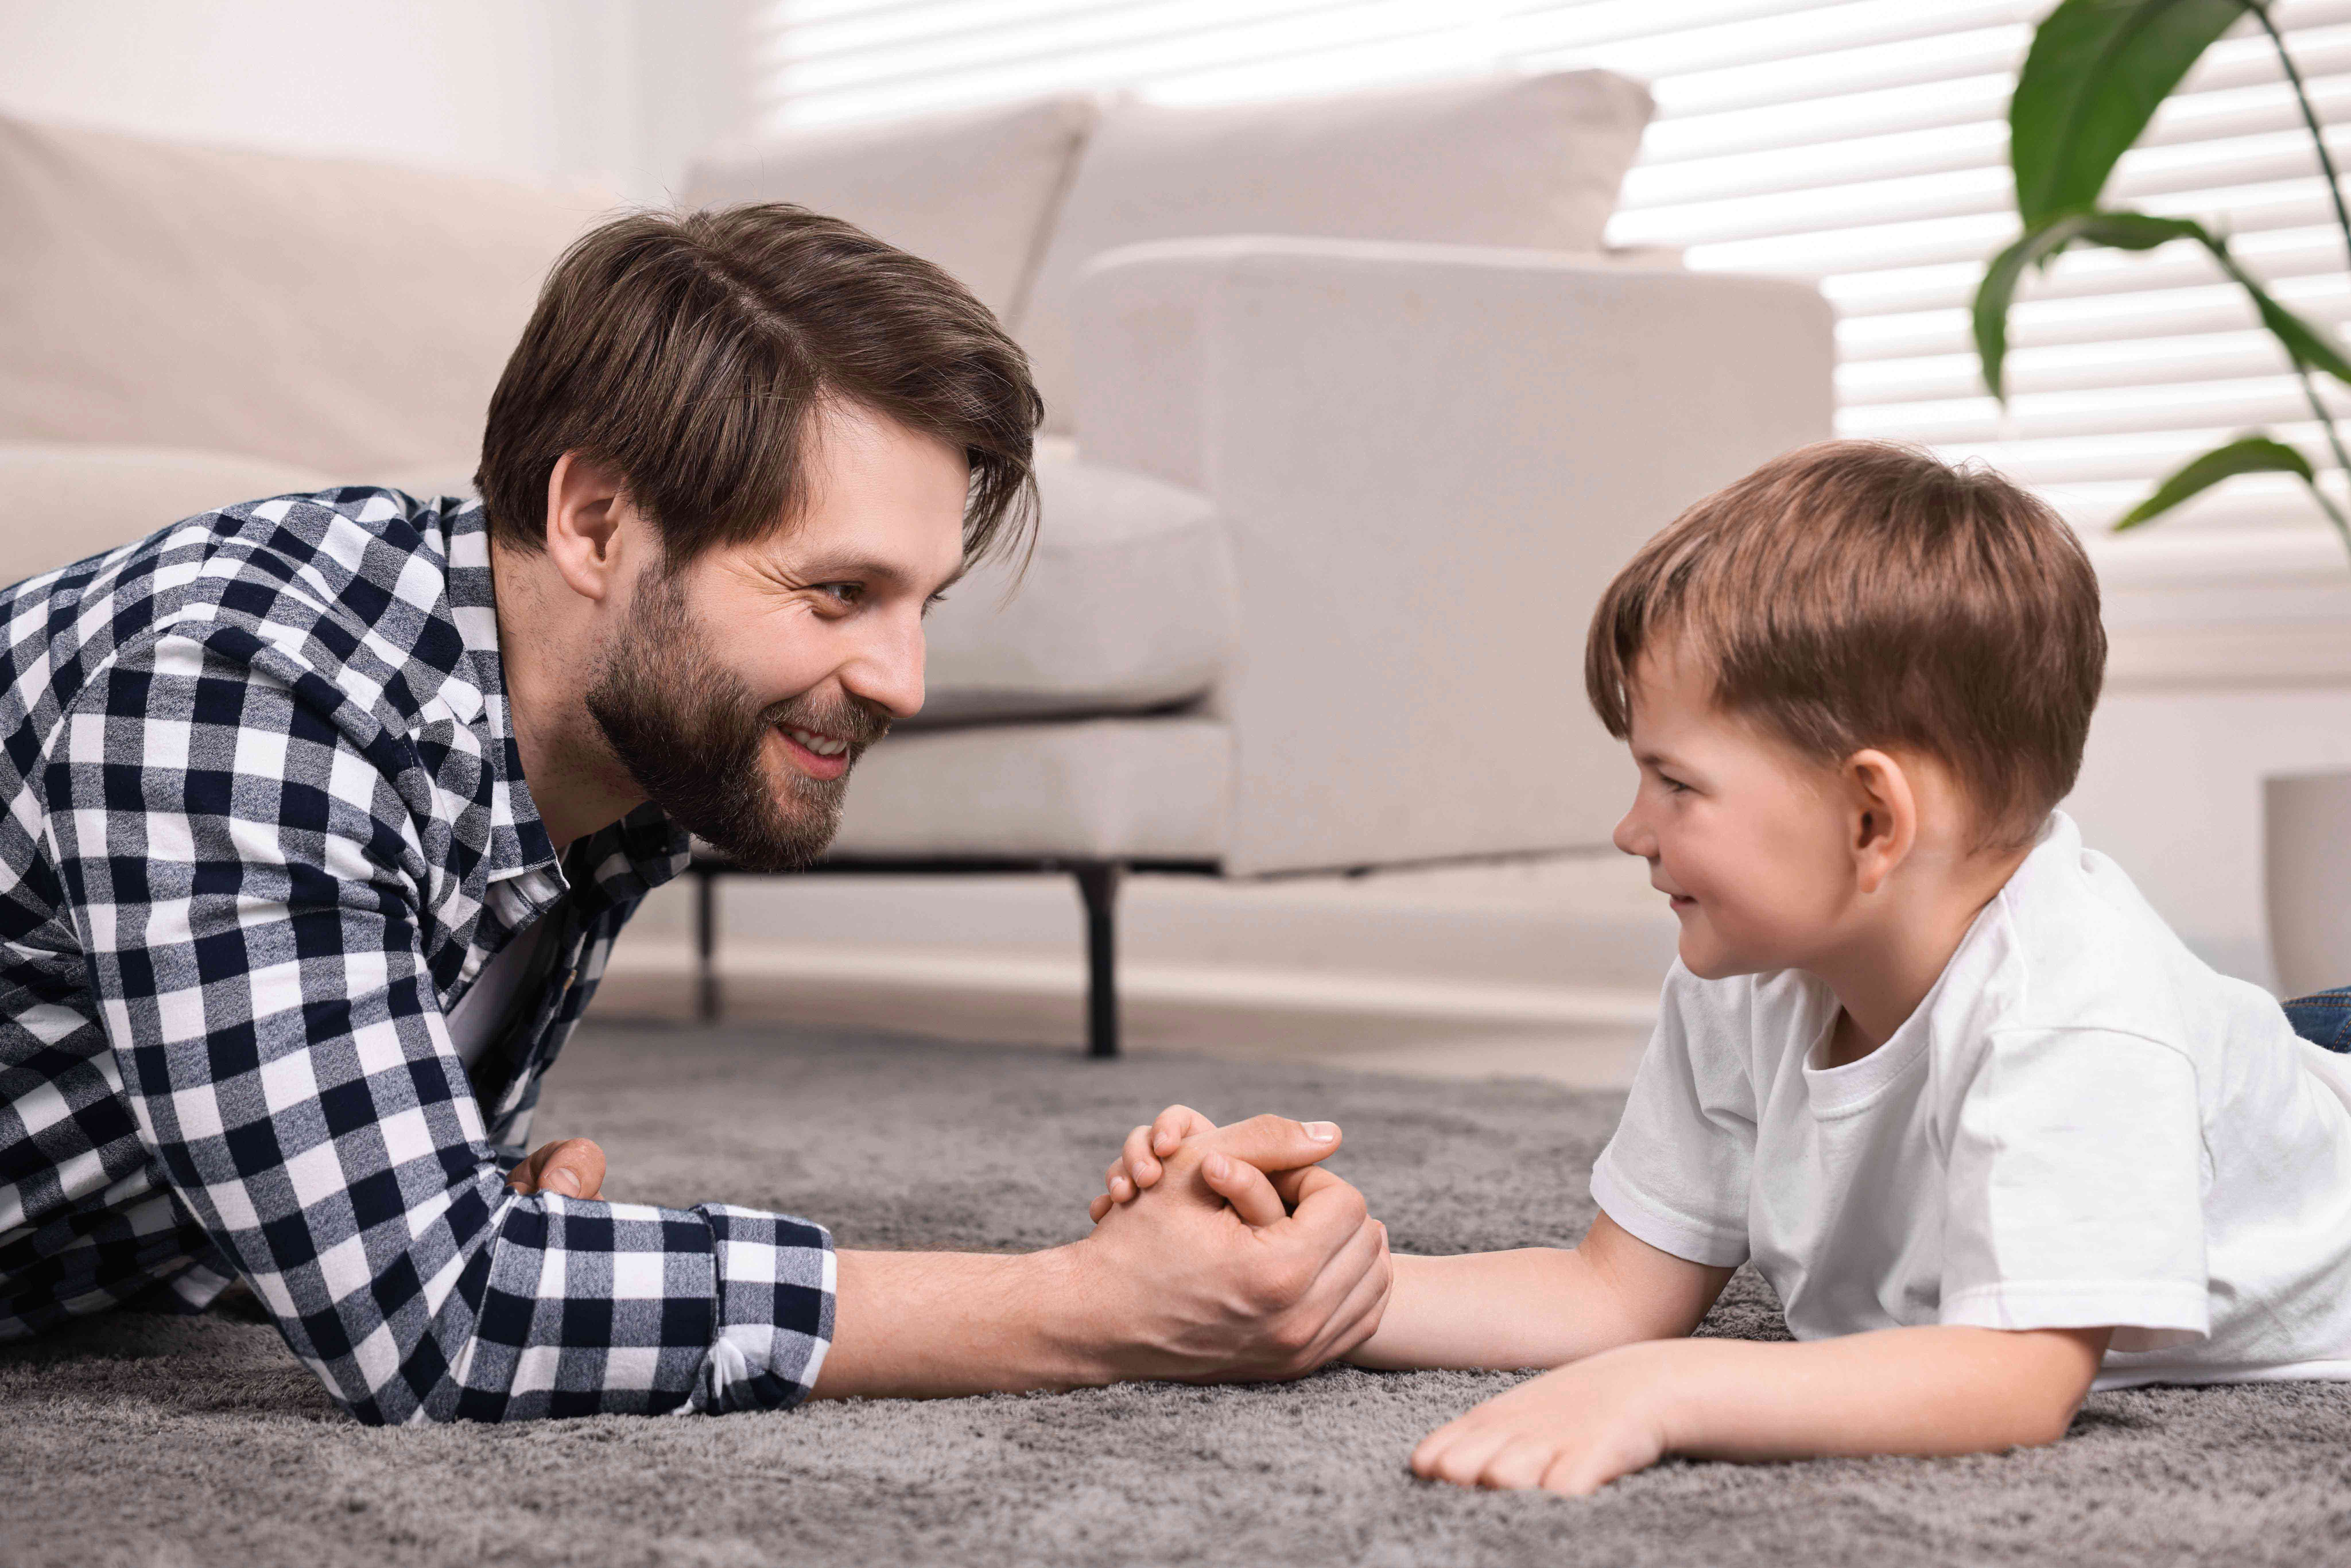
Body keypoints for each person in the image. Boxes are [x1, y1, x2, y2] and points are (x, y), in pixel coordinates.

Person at [0, 203, 1388, 1422]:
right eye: (836, 593)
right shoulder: (240, 689)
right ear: (598, 521)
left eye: (922, 606)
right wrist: (1085, 1304)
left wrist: (460, 1186)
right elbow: (440, 1320)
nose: (901, 683)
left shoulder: (623, 753)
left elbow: (358, 1225)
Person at [1093, 441, 2351, 1494]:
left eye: (1674, 783)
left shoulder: (2077, 1016)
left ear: (1870, 822)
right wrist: (1295, 1286)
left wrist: (1668, 1389)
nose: (1628, 829)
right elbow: (1607, 1295)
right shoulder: (1739, 968)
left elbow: (2011, 1377)